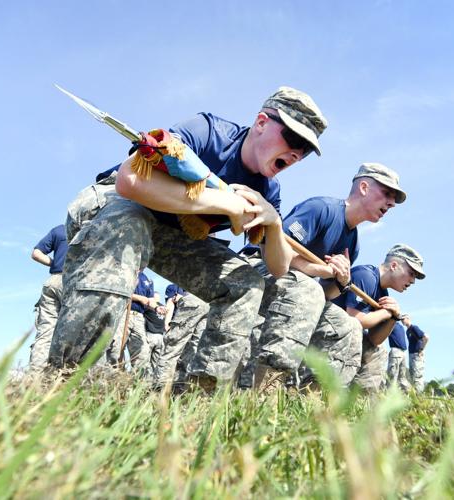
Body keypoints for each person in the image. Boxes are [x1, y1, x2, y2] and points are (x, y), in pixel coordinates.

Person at [48, 87, 327, 391]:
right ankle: (67, 383)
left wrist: (273, 223)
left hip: (171, 235)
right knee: (130, 225)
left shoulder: (268, 191)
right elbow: (130, 181)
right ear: (262, 122)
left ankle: (199, 395)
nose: (297, 154)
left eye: (306, 151)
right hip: (114, 205)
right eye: (294, 140)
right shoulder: (208, 132)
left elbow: (279, 268)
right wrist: (223, 203)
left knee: (246, 283)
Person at [249, 163, 406, 391]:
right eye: (386, 193)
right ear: (363, 187)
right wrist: (322, 270)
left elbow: (327, 293)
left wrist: (341, 281)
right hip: (260, 268)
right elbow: (276, 253)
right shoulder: (321, 208)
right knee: (306, 289)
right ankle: (267, 390)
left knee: (348, 326)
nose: (391, 203)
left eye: (394, 199)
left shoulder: (353, 242)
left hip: (301, 290)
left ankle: (316, 398)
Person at [336, 244, 425, 392]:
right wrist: (387, 313)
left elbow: (375, 340)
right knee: (355, 333)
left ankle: (363, 401)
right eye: (411, 273)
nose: (413, 281)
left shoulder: (383, 294)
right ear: (394, 265)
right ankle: (335, 391)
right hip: (326, 330)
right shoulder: (366, 276)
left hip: (343, 335)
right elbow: (354, 320)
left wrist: (393, 318)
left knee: (378, 351)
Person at [28, 224, 68, 375]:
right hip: (75, 282)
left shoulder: (59, 229)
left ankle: (35, 377)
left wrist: (55, 263)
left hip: (53, 281)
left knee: (46, 331)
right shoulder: (92, 227)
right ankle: (66, 376)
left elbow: (36, 253)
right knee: (75, 331)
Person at [106, 270, 155, 377]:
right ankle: (112, 377)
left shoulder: (148, 280)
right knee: (116, 346)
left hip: (139, 317)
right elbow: (117, 291)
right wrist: (139, 298)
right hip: (123, 312)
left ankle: (136, 381)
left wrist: (156, 307)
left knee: (143, 351)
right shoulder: (127, 272)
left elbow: (151, 300)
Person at [405, 315, 428, 392]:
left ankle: (420, 395)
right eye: (401, 320)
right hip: (411, 355)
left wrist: (422, 349)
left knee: (417, 376)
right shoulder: (407, 331)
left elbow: (426, 337)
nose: (402, 321)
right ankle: (415, 394)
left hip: (417, 355)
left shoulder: (414, 328)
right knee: (412, 375)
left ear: (408, 319)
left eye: (403, 319)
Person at [386, 319, 411, 391]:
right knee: (402, 378)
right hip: (403, 353)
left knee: (392, 377)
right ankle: (410, 395)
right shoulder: (401, 327)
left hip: (396, 352)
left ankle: (389, 396)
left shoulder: (391, 325)